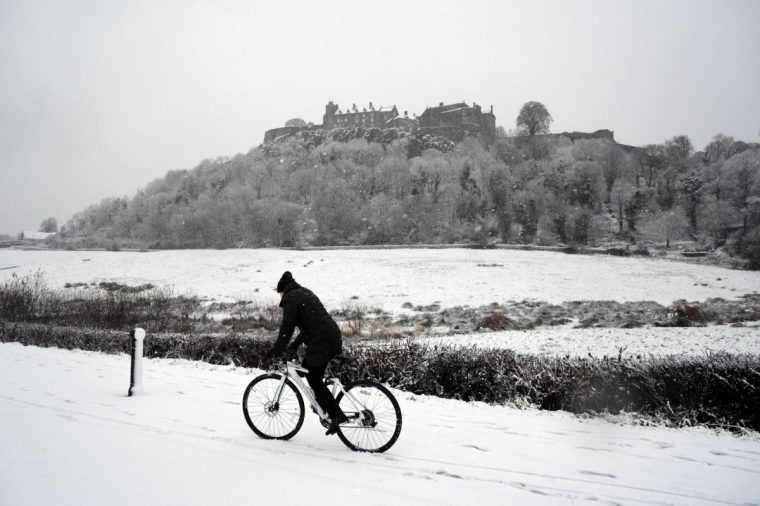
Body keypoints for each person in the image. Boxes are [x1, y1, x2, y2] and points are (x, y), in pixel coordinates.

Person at [266, 271, 348, 436]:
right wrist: (294, 346)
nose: (280, 297)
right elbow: (309, 324)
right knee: (306, 368)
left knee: (313, 378)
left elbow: (287, 329)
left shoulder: (291, 298)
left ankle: (337, 415)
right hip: (330, 336)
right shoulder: (304, 293)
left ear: (283, 291)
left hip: (322, 341)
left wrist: (277, 350)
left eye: (279, 294)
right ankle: (322, 403)